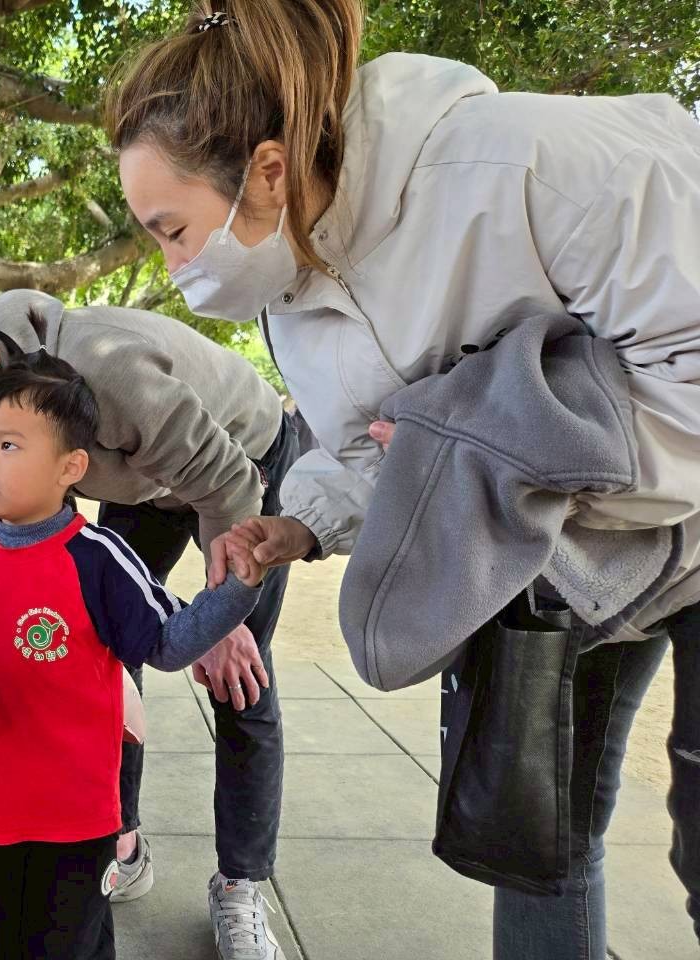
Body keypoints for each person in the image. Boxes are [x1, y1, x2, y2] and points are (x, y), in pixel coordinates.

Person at [106, 2, 700, 957]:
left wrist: (499, 453)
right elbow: (377, 447)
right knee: (532, 832)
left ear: (269, 170)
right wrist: (301, 522)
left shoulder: (521, 165)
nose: (173, 268)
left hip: (671, 523)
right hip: (565, 565)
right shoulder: (290, 292)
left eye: (173, 231)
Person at [0, 289, 299, 956]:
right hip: (134, 478)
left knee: (239, 675)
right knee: (105, 643)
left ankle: (241, 884)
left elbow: (224, 480)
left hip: (237, 462)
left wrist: (222, 615)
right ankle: (121, 841)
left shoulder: (104, 368)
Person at [0, 353, 266, 960]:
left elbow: (167, 643)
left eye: (8, 445)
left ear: (70, 467)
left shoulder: (98, 557)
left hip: (71, 820)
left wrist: (237, 589)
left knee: (69, 946)